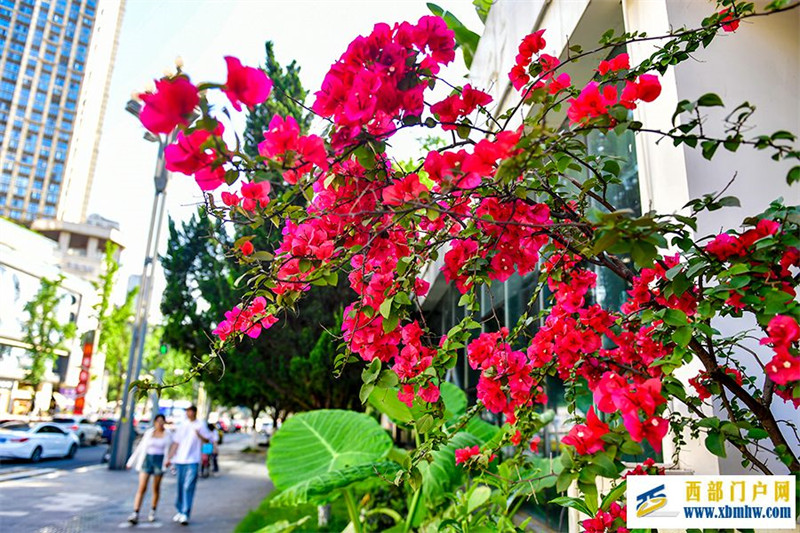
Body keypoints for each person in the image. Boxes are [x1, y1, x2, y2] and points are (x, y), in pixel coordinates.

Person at [165, 405, 212, 525]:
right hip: (180, 460)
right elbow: (176, 442)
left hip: (193, 460)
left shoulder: (200, 425)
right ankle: (180, 510)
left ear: (195, 413)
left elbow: (208, 440)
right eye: (187, 412)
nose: (189, 414)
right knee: (180, 487)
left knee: (188, 486)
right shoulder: (182, 424)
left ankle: (186, 512)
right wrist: (169, 458)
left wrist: (199, 436)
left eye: (191, 412)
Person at [126, 414, 172, 525]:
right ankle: (135, 512)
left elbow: (170, 450)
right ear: (155, 422)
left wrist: (170, 462)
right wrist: (130, 462)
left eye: (162, 421)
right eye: (158, 421)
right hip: (147, 460)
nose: (160, 423)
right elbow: (140, 447)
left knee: (155, 488)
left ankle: (153, 511)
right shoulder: (149, 433)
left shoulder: (168, 434)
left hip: (159, 461)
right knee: (142, 487)